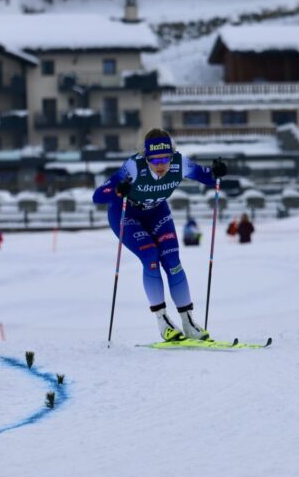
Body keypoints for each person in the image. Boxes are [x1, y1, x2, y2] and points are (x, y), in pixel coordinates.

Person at [93, 128, 226, 342]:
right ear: (146, 158)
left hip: (157, 212)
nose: (161, 165)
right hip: (126, 215)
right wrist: (119, 190)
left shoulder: (180, 164)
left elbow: (209, 178)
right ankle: (163, 321)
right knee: (151, 258)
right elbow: (98, 196)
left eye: (165, 158)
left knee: (173, 262)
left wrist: (217, 172)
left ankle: (188, 322)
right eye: (155, 161)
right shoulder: (133, 167)